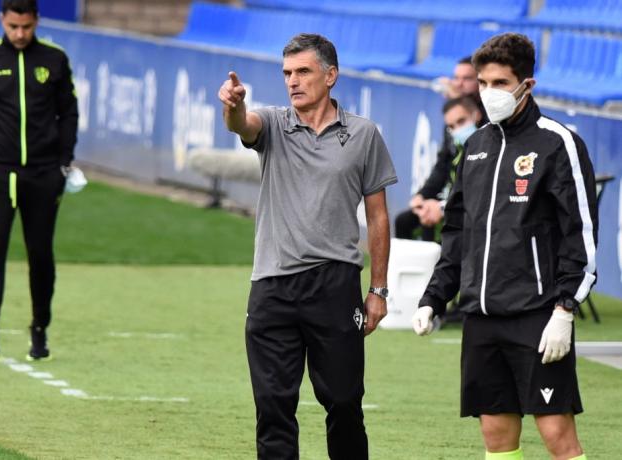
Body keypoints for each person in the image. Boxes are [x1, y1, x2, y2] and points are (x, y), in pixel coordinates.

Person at [412, 33, 596, 460]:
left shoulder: (558, 142)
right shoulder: (475, 146)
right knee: (496, 436)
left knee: (556, 435)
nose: (488, 92)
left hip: (538, 314)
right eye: (482, 82)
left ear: (526, 85)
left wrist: (564, 310)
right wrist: (434, 297)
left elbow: (581, 233)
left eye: (500, 83)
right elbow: (457, 231)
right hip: (481, 315)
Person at [218, 33, 397, 459]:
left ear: (330, 76)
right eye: (286, 73)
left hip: (334, 287)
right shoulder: (274, 124)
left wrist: (378, 289)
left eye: (303, 72)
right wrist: (234, 106)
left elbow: (378, 217)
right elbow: (243, 126)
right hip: (272, 287)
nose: (293, 81)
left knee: (343, 403)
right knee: (274, 407)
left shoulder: (363, 134)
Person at [0, 0, 78, 363]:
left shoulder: (55, 59)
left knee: (40, 254)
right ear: (3, 22)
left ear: (36, 21)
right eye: (13, 27)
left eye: (26, 26)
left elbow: (69, 112)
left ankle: (39, 329)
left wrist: (64, 162)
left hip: (43, 174)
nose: (20, 34)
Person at [395, 57, 484, 241]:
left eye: (467, 78)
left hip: (470, 205)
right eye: (456, 78)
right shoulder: (452, 117)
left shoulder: (488, 123)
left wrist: (442, 206)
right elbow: (443, 164)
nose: (459, 84)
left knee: (436, 222)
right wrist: (422, 195)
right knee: (406, 221)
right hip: (447, 198)